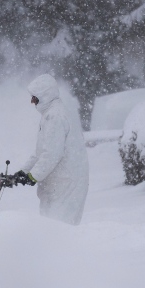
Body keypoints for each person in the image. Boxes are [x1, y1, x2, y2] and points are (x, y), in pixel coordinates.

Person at [10, 74, 90, 225]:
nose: (32, 102)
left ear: (45, 95)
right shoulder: (49, 114)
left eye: (34, 97)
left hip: (66, 183)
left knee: (59, 227)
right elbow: (40, 153)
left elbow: (52, 154)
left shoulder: (55, 116)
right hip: (57, 182)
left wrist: (32, 176)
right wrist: (23, 172)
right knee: (50, 226)